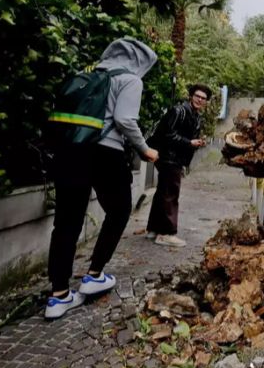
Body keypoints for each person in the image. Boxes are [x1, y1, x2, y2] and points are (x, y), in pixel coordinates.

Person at [46, 38, 160, 319]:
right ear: (140, 61)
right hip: (104, 152)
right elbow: (124, 120)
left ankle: (58, 296)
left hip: (70, 149)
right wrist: (144, 149)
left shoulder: (86, 74)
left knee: (66, 221)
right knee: (120, 210)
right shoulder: (130, 80)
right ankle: (94, 274)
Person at [145, 84, 210, 247]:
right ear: (191, 96)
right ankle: (166, 233)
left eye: (203, 98)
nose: (200, 100)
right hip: (169, 158)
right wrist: (189, 142)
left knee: (162, 192)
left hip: (174, 158)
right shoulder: (179, 111)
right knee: (171, 194)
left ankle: (153, 230)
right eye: (197, 96)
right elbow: (168, 134)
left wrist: (196, 142)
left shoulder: (195, 115)